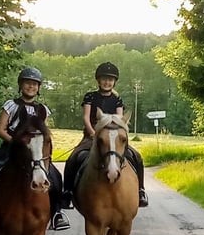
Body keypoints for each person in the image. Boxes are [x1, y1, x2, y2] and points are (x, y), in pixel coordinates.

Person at [0, 67, 71, 231]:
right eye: (27, 83)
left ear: (39, 87)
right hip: (11, 148)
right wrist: (16, 142)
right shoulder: (11, 105)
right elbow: (0, 129)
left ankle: (57, 213)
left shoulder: (42, 109)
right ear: (21, 85)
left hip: (35, 151)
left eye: (34, 84)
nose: (31, 87)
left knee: (55, 176)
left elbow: (44, 132)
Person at [61, 61, 149, 209]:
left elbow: (120, 120)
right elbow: (86, 118)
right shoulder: (90, 96)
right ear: (98, 80)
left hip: (114, 138)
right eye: (104, 79)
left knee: (136, 157)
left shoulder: (117, 100)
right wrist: (94, 134)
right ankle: (68, 192)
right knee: (74, 158)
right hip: (91, 136)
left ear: (114, 82)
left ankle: (140, 190)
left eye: (110, 79)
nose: (107, 82)